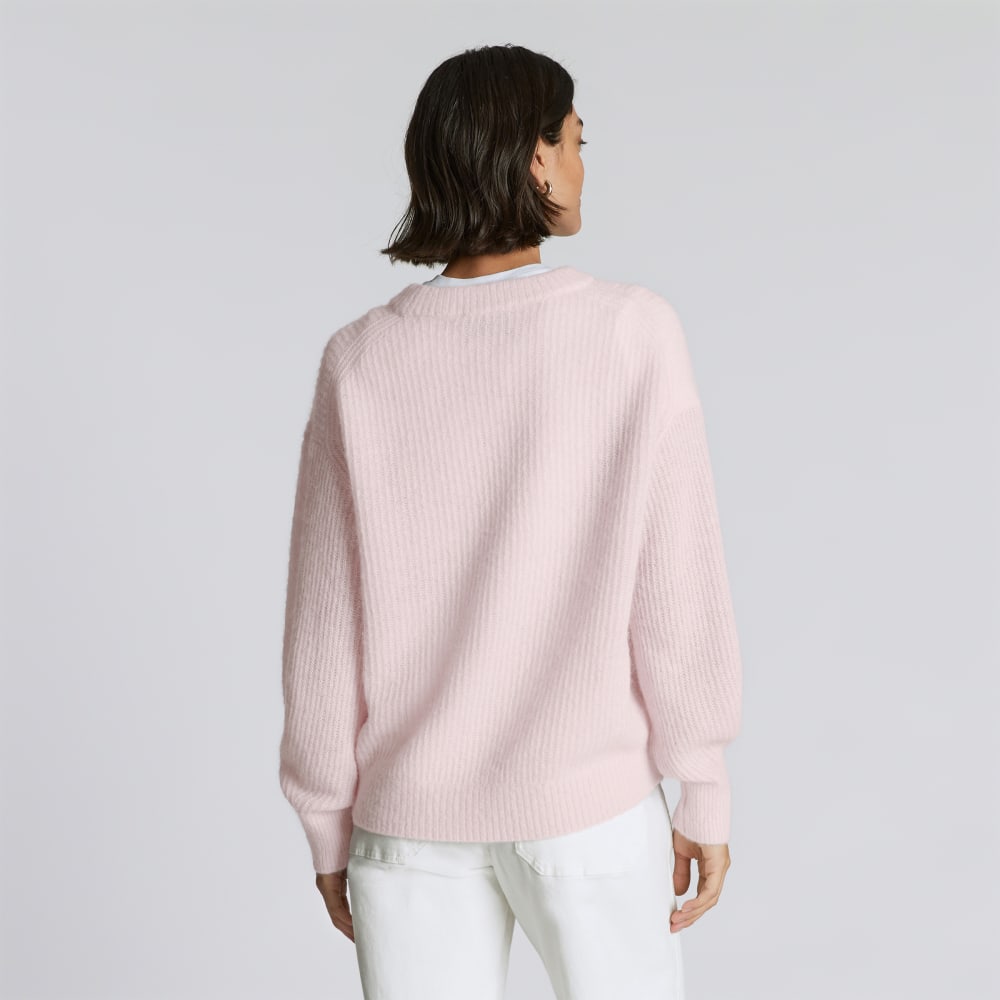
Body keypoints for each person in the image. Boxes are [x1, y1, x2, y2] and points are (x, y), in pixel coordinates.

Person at [278, 43, 743, 1000]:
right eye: (576, 142)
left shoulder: (360, 360)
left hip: (408, 822)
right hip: (589, 810)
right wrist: (700, 781)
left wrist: (326, 820)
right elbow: (677, 586)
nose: (580, 165)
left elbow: (324, 626)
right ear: (537, 157)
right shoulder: (632, 332)